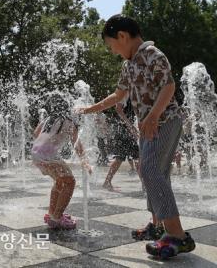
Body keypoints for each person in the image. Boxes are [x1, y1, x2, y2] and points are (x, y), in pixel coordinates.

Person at [75, 15, 195, 258]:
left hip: (165, 121)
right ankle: (158, 225)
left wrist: (152, 116)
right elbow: (118, 95)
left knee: (150, 170)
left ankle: (178, 236)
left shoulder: (153, 54)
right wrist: (89, 109)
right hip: (149, 126)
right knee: (152, 173)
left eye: (112, 45)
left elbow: (169, 86)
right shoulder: (128, 65)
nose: (113, 51)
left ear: (122, 36)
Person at [31, 94, 92, 230]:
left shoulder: (49, 119)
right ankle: (57, 218)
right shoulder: (69, 121)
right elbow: (76, 144)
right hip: (48, 155)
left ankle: (52, 213)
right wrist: (84, 160)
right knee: (70, 182)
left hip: (36, 153)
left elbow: (36, 133)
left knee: (60, 181)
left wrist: (52, 139)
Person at [103, 97, 140, 191]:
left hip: (128, 128)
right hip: (123, 129)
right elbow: (118, 109)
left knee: (128, 157)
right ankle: (145, 186)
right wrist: (130, 126)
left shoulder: (134, 92)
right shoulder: (124, 92)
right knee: (135, 157)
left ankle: (107, 182)